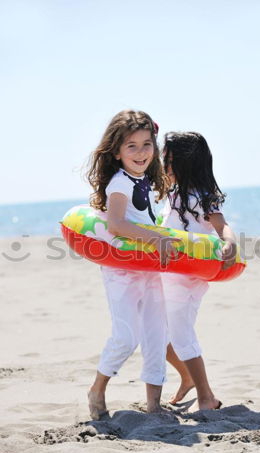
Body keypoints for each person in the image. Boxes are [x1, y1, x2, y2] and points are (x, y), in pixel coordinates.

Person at [86, 110, 178, 419]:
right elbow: (116, 224)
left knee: (156, 335)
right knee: (126, 337)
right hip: (122, 272)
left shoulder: (147, 182)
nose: (141, 153)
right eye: (132, 146)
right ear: (116, 151)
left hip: (150, 271)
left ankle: (154, 405)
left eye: (147, 144)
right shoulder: (119, 183)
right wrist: (156, 238)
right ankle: (97, 390)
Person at [161, 132, 237, 412]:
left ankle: (207, 397)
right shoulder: (171, 194)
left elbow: (221, 225)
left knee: (181, 336)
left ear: (186, 162)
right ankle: (187, 377)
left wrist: (228, 241)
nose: (163, 164)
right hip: (167, 275)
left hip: (189, 278)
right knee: (156, 337)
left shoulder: (202, 196)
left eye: (168, 159)